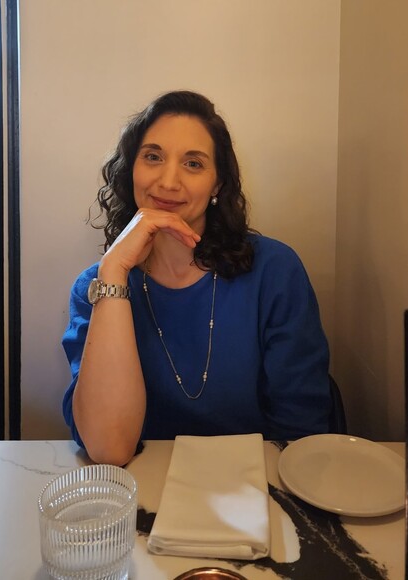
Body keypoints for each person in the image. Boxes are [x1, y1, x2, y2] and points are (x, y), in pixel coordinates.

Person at [62, 90, 330, 465]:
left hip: (255, 483)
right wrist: (115, 270)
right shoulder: (98, 286)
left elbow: (300, 432)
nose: (168, 181)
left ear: (217, 184)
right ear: (131, 170)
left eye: (193, 163)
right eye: (153, 157)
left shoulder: (275, 271)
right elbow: (108, 449)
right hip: (142, 486)